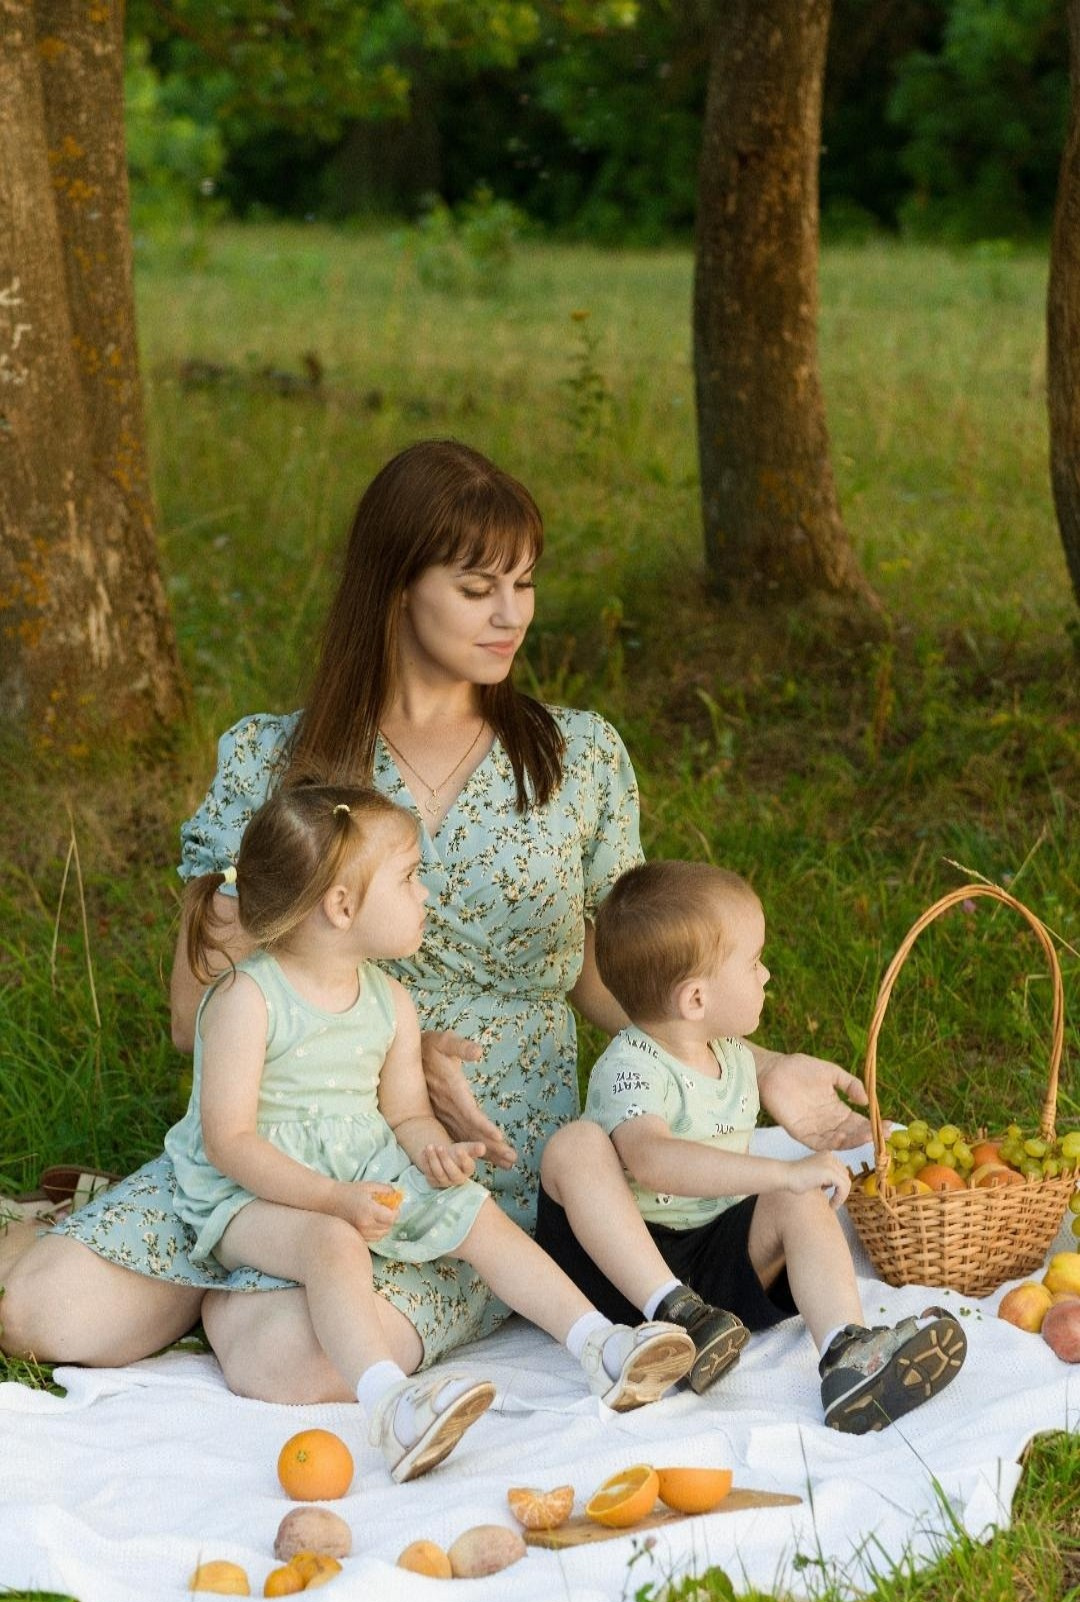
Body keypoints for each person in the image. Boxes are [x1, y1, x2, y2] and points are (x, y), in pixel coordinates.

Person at [0, 439, 873, 1402]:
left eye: (525, 585)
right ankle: (210, 1254)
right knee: (40, 1318)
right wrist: (356, 1027)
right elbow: (190, 1014)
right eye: (476, 588)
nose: (513, 616)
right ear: (396, 587)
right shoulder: (273, 763)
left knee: (300, 1363)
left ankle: (253, 1289)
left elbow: (614, 979)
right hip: (276, 1126)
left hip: (465, 1160)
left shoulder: (575, 760)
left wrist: (761, 1068)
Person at [163, 783, 693, 1478]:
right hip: (247, 1195)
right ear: (342, 906)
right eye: (410, 878)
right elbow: (229, 1143)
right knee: (331, 1242)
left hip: (355, 1171)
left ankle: (600, 1344)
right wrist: (331, 1200)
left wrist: (433, 1152)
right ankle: (391, 1407)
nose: (425, 894)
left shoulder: (389, 1001)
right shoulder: (248, 999)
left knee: (478, 1215)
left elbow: (405, 1113)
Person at [536, 861, 968, 1433]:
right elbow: (653, 1161)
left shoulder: (734, 1055)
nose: (767, 976)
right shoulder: (630, 1067)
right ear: (695, 999)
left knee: (801, 1200)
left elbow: (762, 1189)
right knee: (576, 1145)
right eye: (753, 963)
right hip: (623, 1268)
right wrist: (775, 1173)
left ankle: (847, 1353)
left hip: (712, 1268)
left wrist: (790, 1184)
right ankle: (673, 1314)